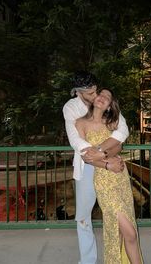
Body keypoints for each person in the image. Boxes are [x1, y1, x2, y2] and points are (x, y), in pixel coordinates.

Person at [62, 71, 129, 264]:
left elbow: (122, 130)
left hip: (108, 160)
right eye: (90, 93)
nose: (95, 96)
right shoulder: (71, 108)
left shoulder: (103, 101)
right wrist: (95, 155)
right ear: (78, 92)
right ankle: (87, 261)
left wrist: (101, 152)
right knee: (83, 217)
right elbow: (75, 139)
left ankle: (119, 257)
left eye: (95, 90)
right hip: (86, 166)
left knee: (118, 212)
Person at [75, 88, 143, 264]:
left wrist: (102, 154)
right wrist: (106, 163)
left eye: (108, 98)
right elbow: (86, 157)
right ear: (94, 98)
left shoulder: (111, 122)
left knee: (124, 231)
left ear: (108, 106)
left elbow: (118, 146)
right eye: (101, 94)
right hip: (104, 180)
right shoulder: (80, 123)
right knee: (130, 232)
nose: (103, 98)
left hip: (120, 175)